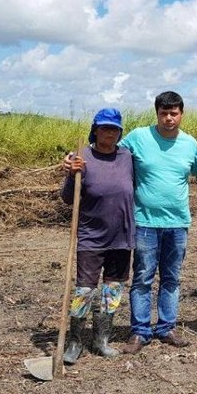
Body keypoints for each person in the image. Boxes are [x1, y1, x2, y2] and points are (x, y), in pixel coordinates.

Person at [118, 91, 197, 353]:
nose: (169, 118)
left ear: (181, 114)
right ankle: (140, 331)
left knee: (172, 278)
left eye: (174, 113)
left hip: (177, 224)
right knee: (142, 278)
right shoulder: (138, 137)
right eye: (164, 113)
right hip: (146, 223)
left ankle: (166, 328)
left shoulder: (188, 143)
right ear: (157, 114)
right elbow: (111, 156)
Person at [61, 108, 135, 363]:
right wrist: (72, 174)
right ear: (95, 130)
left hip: (122, 236)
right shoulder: (82, 157)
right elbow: (68, 198)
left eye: (114, 129)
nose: (109, 133)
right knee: (84, 290)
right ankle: (74, 342)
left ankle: (101, 340)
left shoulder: (127, 157)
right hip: (91, 237)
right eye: (104, 128)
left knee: (112, 290)